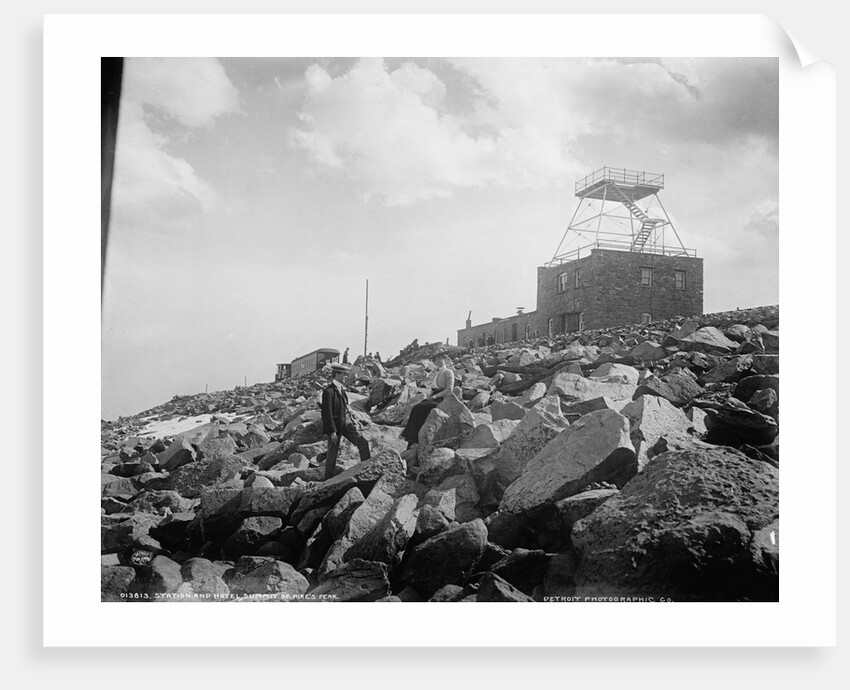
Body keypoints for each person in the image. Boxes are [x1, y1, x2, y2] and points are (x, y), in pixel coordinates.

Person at [321, 363, 370, 480]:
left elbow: (346, 408)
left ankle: (367, 469)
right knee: (332, 455)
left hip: (346, 425)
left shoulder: (342, 390)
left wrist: (354, 421)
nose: (346, 377)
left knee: (363, 443)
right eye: (344, 374)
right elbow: (327, 414)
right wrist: (332, 431)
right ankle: (327, 481)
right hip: (335, 427)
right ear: (337, 374)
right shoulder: (328, 391)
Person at [400, 354, 455, 448]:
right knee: (417, 407)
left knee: (419, 408)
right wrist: (430, 396)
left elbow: (449, 389)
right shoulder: (436, 372)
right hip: (434, 395)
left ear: (445, 360)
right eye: (436, 359)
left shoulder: (448, 372)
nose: (438, 361)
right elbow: (433, 388)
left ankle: (412, 438)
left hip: (441, 398)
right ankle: (410, 437)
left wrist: (434, 397)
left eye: (440, 359)